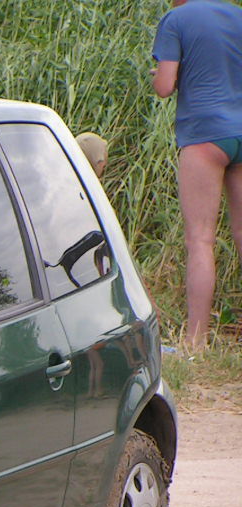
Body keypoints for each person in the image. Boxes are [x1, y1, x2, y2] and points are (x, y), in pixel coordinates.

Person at [151, 0, 242, 350]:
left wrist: (160, 73)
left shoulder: (176, 19)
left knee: (201, 240)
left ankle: (196, 342)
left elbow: (164, 86)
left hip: (205, 133)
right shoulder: (237, 14)